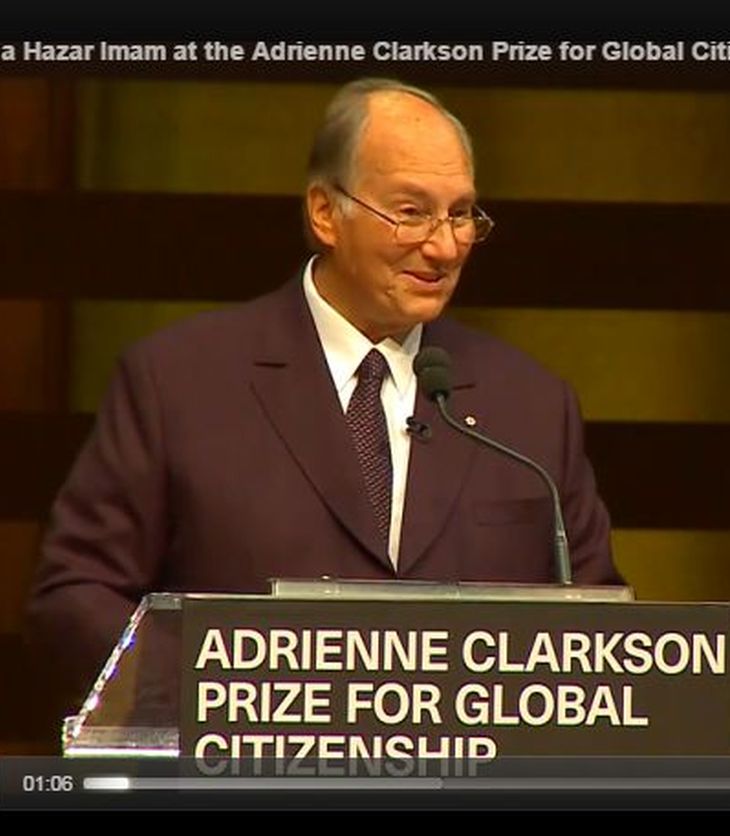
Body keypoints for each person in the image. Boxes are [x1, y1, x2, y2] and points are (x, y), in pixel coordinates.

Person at [27, 78, 622, 713]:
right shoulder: (179, 383)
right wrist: (222, 705)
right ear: (324, 212)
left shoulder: (530, 408)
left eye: (460, 214)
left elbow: (600, 639)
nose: (445, 245)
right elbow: (76, 595)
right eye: (412, 212)